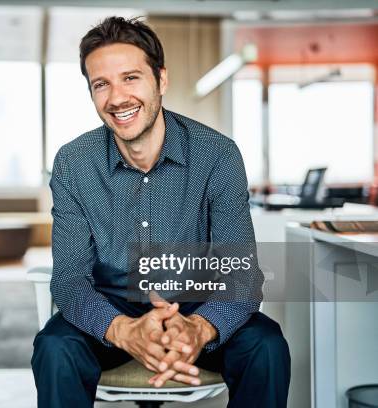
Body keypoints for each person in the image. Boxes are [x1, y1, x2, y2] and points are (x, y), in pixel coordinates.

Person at [31, 16, 290, 408]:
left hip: (198, 305)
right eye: (101, 84)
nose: (116, 97)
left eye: (131, 78)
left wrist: (199, 329)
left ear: (161, 81)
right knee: (53, 347)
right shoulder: (73, 163)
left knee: (266, 346)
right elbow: (69, 280)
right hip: (111, 308)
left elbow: (240, 275)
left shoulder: (217, 155)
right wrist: (122, 330)